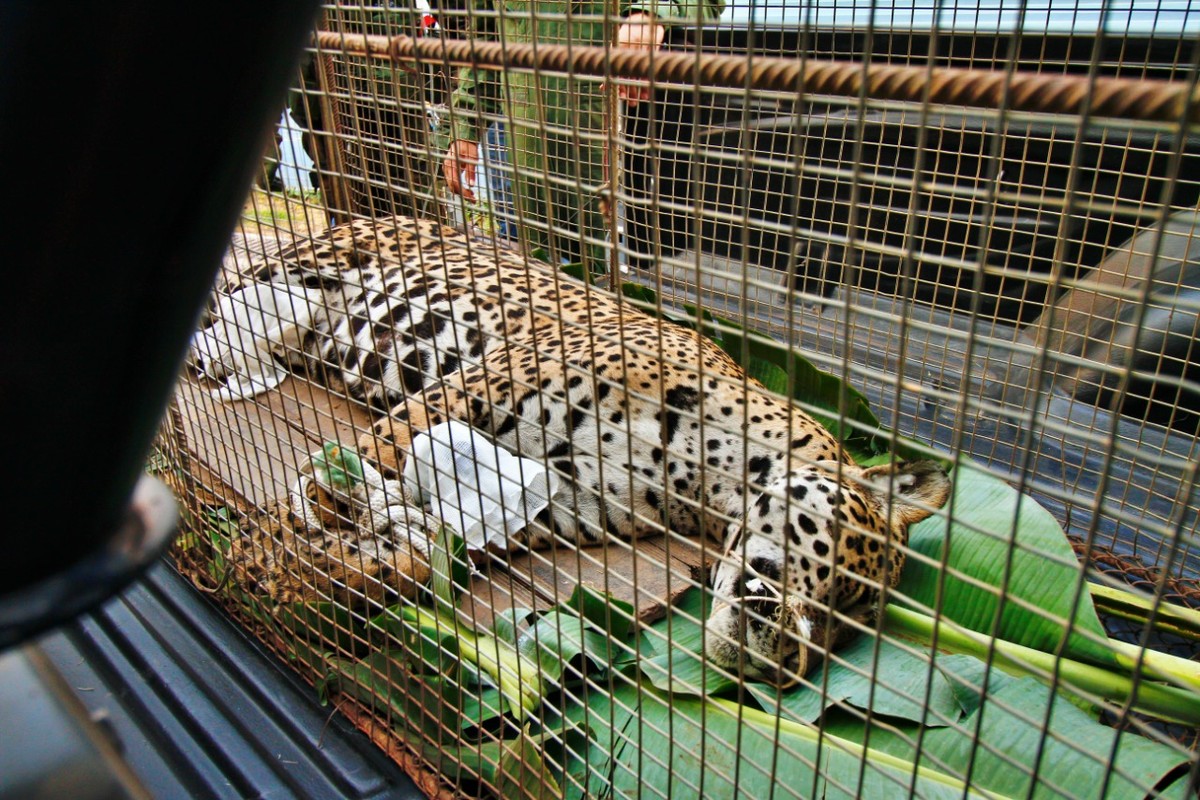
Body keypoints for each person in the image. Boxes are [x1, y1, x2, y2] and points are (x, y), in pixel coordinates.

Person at [438, 1, 724, 276]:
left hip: (606, 148)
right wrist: (465, 124)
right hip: (520, 150)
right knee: (525, 265)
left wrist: (650, 14)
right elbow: (483, 45)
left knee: (597, 278)